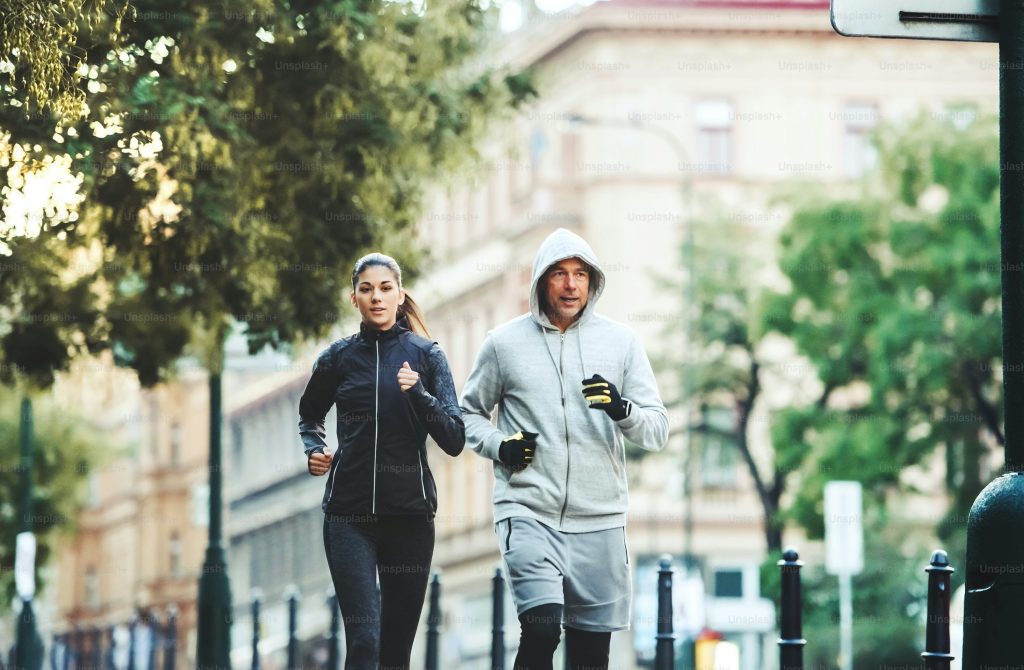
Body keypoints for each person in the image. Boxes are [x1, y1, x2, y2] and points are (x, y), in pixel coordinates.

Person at [460, 228, 669, 670]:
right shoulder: (503, 344)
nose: (571, 285)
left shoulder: (621, 342)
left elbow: (656, 429)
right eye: (559, 274)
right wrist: (502, 447)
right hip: (528, 510)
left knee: (591, 658)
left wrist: (620, 407)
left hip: (601, 520)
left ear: (592, 282)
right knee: (541, 628)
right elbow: (467, 415)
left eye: (580, 274)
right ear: (541, 282)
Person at [298, 252, 465, 670]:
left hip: (410, 518)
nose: (376, 297)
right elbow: (309, 414)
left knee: (395, 654)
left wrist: (419, 395)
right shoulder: (337, 358)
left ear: (400, 294)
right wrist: (314, 449)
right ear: (354, 298)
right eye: (366, 289)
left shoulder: (427, 355)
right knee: (365, 641)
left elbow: (455, 438)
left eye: (385, 288)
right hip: (348, 517)